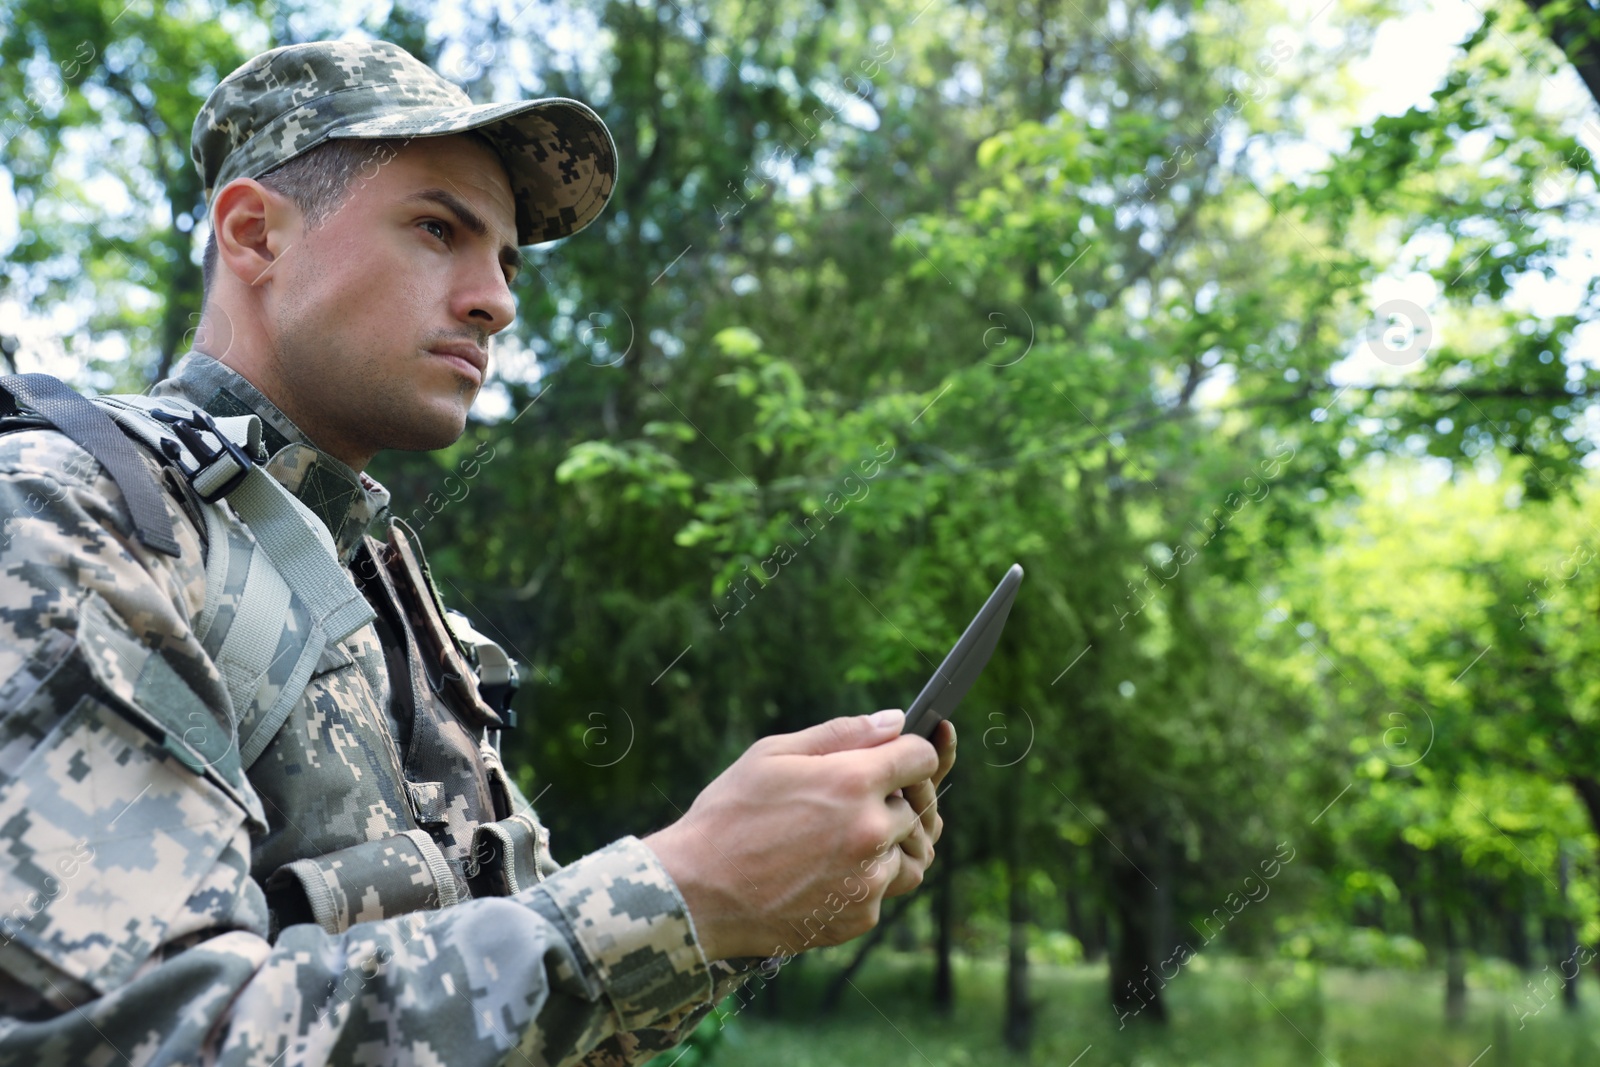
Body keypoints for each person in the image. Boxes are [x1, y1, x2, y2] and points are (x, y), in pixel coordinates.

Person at [0, 38, 954, 1066]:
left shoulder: (380, 585)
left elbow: (503, 1003)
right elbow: (147, 1038)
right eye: (437, 229)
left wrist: (744, 898)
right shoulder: (70, 512)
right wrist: (686, 886)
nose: (496, 298)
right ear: (254, 233)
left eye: (502, 258)